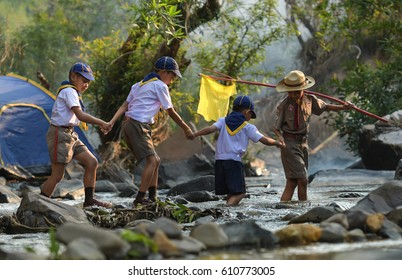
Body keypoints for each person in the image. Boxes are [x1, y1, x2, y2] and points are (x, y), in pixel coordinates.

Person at [109, 56, 194, 207]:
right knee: (152, 160)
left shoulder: (138, 85)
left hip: (131, 125)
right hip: (137, 124)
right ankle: (139, 199)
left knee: (156, 160)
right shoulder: (160, 85)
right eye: (172, 74)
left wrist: (112, 121)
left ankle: (153, 197)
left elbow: (125, 105)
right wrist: (186, 128)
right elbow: (171, 111)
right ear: (162, 72)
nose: (173, 78)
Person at [273, 70, 353, 202]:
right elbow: (276, 128)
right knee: (303, 179)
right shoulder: (283, 105)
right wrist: (279, 137)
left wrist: (344, 107)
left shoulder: (310, 100)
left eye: (297, 91)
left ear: (303, 89)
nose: (294, 95)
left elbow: (326, 107)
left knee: (292, 181)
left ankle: (282, 208)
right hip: (289, 144)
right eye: (290, 92)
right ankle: (303, 208)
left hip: (303, 144)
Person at [40, 62, 112, 208]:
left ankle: (89, 200)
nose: (86, 84)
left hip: (70, 134)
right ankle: (39, 203)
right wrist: (101, 123)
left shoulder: (74, 93)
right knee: (57, 176)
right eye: (84, 81)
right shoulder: (69, 91)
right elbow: (80, 115)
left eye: (88, 82)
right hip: (59, 134)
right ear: (73, 76)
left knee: (92, 162)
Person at [193, 95, 284, 206]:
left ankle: (227, 217)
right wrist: (277, 143)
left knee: (231, 192)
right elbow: (263, 140)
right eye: (251, 114)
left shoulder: (223, 121)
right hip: (234, 162)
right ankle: (226, 210)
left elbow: (210, 129)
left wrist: (195, 134)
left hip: (219, 162)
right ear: (246, 111)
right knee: (240, 193)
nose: (250, 117)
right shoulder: (247, 127)